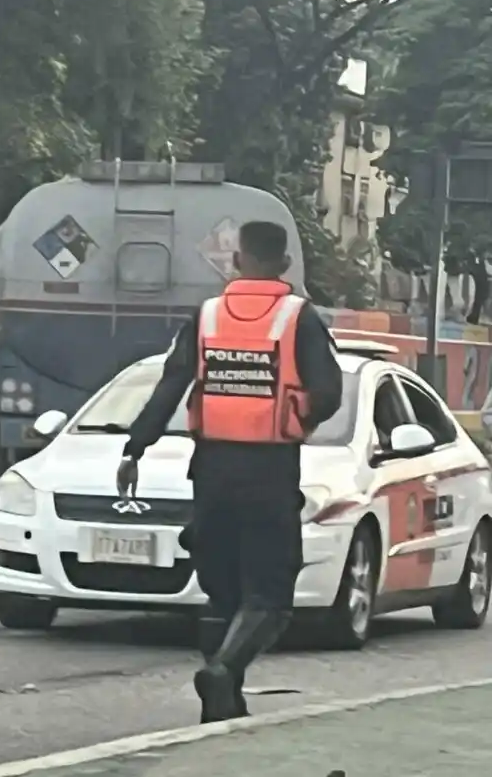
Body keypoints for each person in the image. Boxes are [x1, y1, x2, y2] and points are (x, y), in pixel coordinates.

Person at [115, 220, 343, 723]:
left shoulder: (207, 316)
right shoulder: (298, 318)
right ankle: (223, 673)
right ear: (283, 266)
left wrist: (136, 447)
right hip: (269, 469)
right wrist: (295, 416)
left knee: (223, 590)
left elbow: (171, 384)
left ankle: (224, 698)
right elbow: (329, 393)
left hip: (211, 470)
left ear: (238, 262)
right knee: (271, 594)